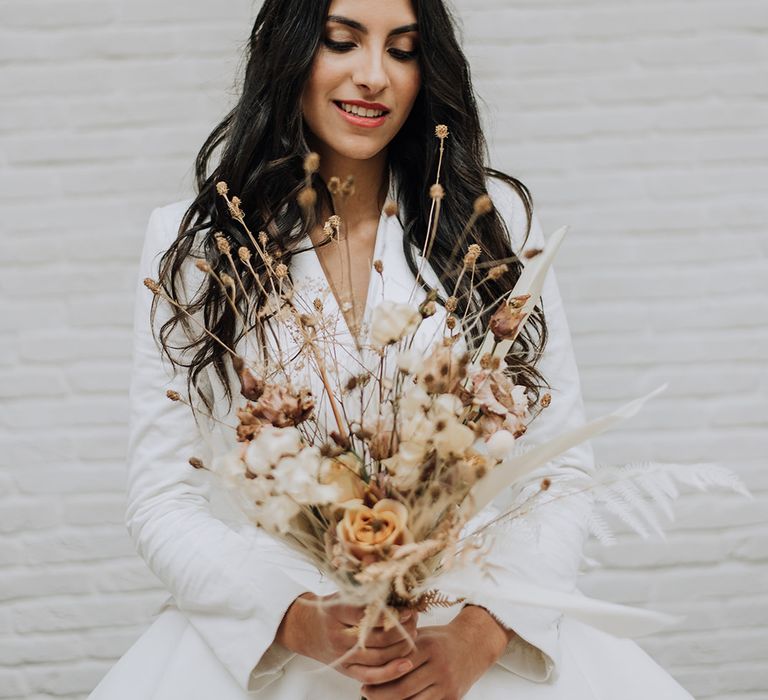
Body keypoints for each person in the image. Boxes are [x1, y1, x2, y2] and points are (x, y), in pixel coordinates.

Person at [89, 1, 696, 698]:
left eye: (402, 50)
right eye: (342, 42)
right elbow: (162, 499)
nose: (374, 75)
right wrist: (295, 620)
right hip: (285, 634)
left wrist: (484, 631)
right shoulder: (195, 245)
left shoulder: (490, 222)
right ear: (288, 54)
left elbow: (559, 477)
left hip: (462, 634)